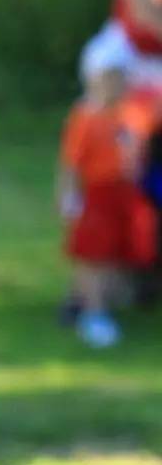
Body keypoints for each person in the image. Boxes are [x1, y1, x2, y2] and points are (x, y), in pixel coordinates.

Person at [57, 52, 158, 346]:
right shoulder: (87, 117)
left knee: (121, 254)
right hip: (97, 193)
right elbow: (71, 163)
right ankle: (92, 312)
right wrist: (68, 196)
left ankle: (104, 307)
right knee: (93, 255)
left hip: (127, 194)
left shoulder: (136, 112)